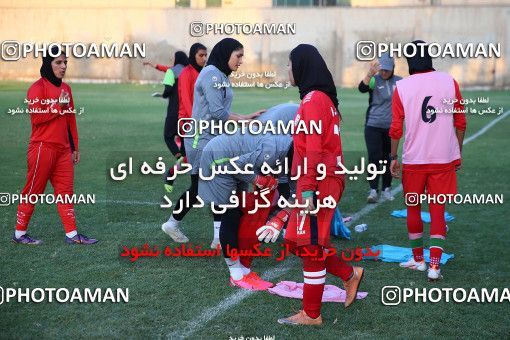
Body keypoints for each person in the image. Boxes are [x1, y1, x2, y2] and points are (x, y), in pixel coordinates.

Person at [274, 44, 363, 326]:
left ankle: (311, 313)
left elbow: (313, 150)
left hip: (318, 182)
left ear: (301, 67)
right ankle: (349, 274)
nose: (287, 70)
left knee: (310, 245)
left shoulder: (313, 100)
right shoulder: (319, 99)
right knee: (298, 242)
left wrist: (309, 189)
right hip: (318, 179)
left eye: (289, 64)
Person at [161, 38, 263, 247]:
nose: (241, 61)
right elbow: (217, 113)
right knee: (203, 185)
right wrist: (243, 119)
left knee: (213, 184)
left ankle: (211, 234)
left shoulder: (221, 76)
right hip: (201, 140)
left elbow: (221, 112)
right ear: (226, 54)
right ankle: (181, 226)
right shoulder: (211, 75)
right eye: (238, 56)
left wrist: (245, 117)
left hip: (213, 139)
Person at [389, 40, 466, 281]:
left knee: (413, 207)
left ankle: (419, 261)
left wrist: (393, 157)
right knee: (438, 210)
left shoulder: (402, 87)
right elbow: (460, 122)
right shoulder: (449, 81)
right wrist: (457, 151)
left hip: (414, 159)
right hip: (443, 159)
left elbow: (395, 128)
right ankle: (434, 267)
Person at [199, 103, 298, 290]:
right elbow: (230, 167)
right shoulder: (274, 151)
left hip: (236, 162)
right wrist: (257, 179)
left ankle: (243, 270)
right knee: (231, 214)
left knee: (242, 214)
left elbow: (295, 191)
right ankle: (236, 275)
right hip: (219, 161)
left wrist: (282, 215)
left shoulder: (293, 154)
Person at [12, 46, 97, 245]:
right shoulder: (37, 88)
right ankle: (19, 234)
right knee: (33, 191)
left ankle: (72, 234)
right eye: (58, 62)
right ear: (48, 64)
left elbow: (70, 119)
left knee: (66, 193)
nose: (63, 66)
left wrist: (74, 146)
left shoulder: (66, 89)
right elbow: (37, 118)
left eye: (65, 62)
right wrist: (57, 106)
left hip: (63, 150)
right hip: (42, 148)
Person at [358, 53, 402, 203]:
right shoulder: (374, 80)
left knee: (388, 158)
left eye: (387, 70)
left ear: (393, 69)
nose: (384, 73)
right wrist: (370, 73)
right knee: (374, 158)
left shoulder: (400, 82)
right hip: (373, 125)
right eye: (382, 70)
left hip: (391, 128)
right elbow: (362, 88)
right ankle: (373, 190)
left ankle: (386, 189)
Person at [164, 43, 207, 193]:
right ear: (193, 55)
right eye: (201, 55)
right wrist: (196, 121)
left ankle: (172, 173)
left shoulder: (202, 73)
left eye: (205, 55)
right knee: (197, 154)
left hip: (200, 120)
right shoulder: (186, 74)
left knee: (190, 156)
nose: (204, 58)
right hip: (189, 121)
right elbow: (187, 101)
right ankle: (195, 187)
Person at [161, 51, 189, 160]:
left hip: (174, 110)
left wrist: (164, 95)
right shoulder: (190, 72)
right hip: (187, 112)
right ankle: (185, 159)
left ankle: (179, 157)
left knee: (168, 137)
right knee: (184, 137)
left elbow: (167, 90)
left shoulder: (171, 72)